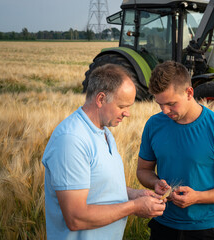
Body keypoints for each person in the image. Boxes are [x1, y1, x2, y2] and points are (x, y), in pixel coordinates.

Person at [42, 64, 165, 240]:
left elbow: (98, 188)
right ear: (100, 99)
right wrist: (134, 207)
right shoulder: (71, 140)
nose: (127, 113)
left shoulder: (104, 132)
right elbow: (76, 217)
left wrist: (134, 195)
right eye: (122, 106)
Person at [137, 61, 214, 240]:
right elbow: (143, 170)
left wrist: (197, 197)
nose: (164, 111)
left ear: (189, 93)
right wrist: (155, 183)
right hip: (162, 225)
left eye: (171, 103)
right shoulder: (153, 125)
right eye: (160, 104)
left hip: (208, 230)